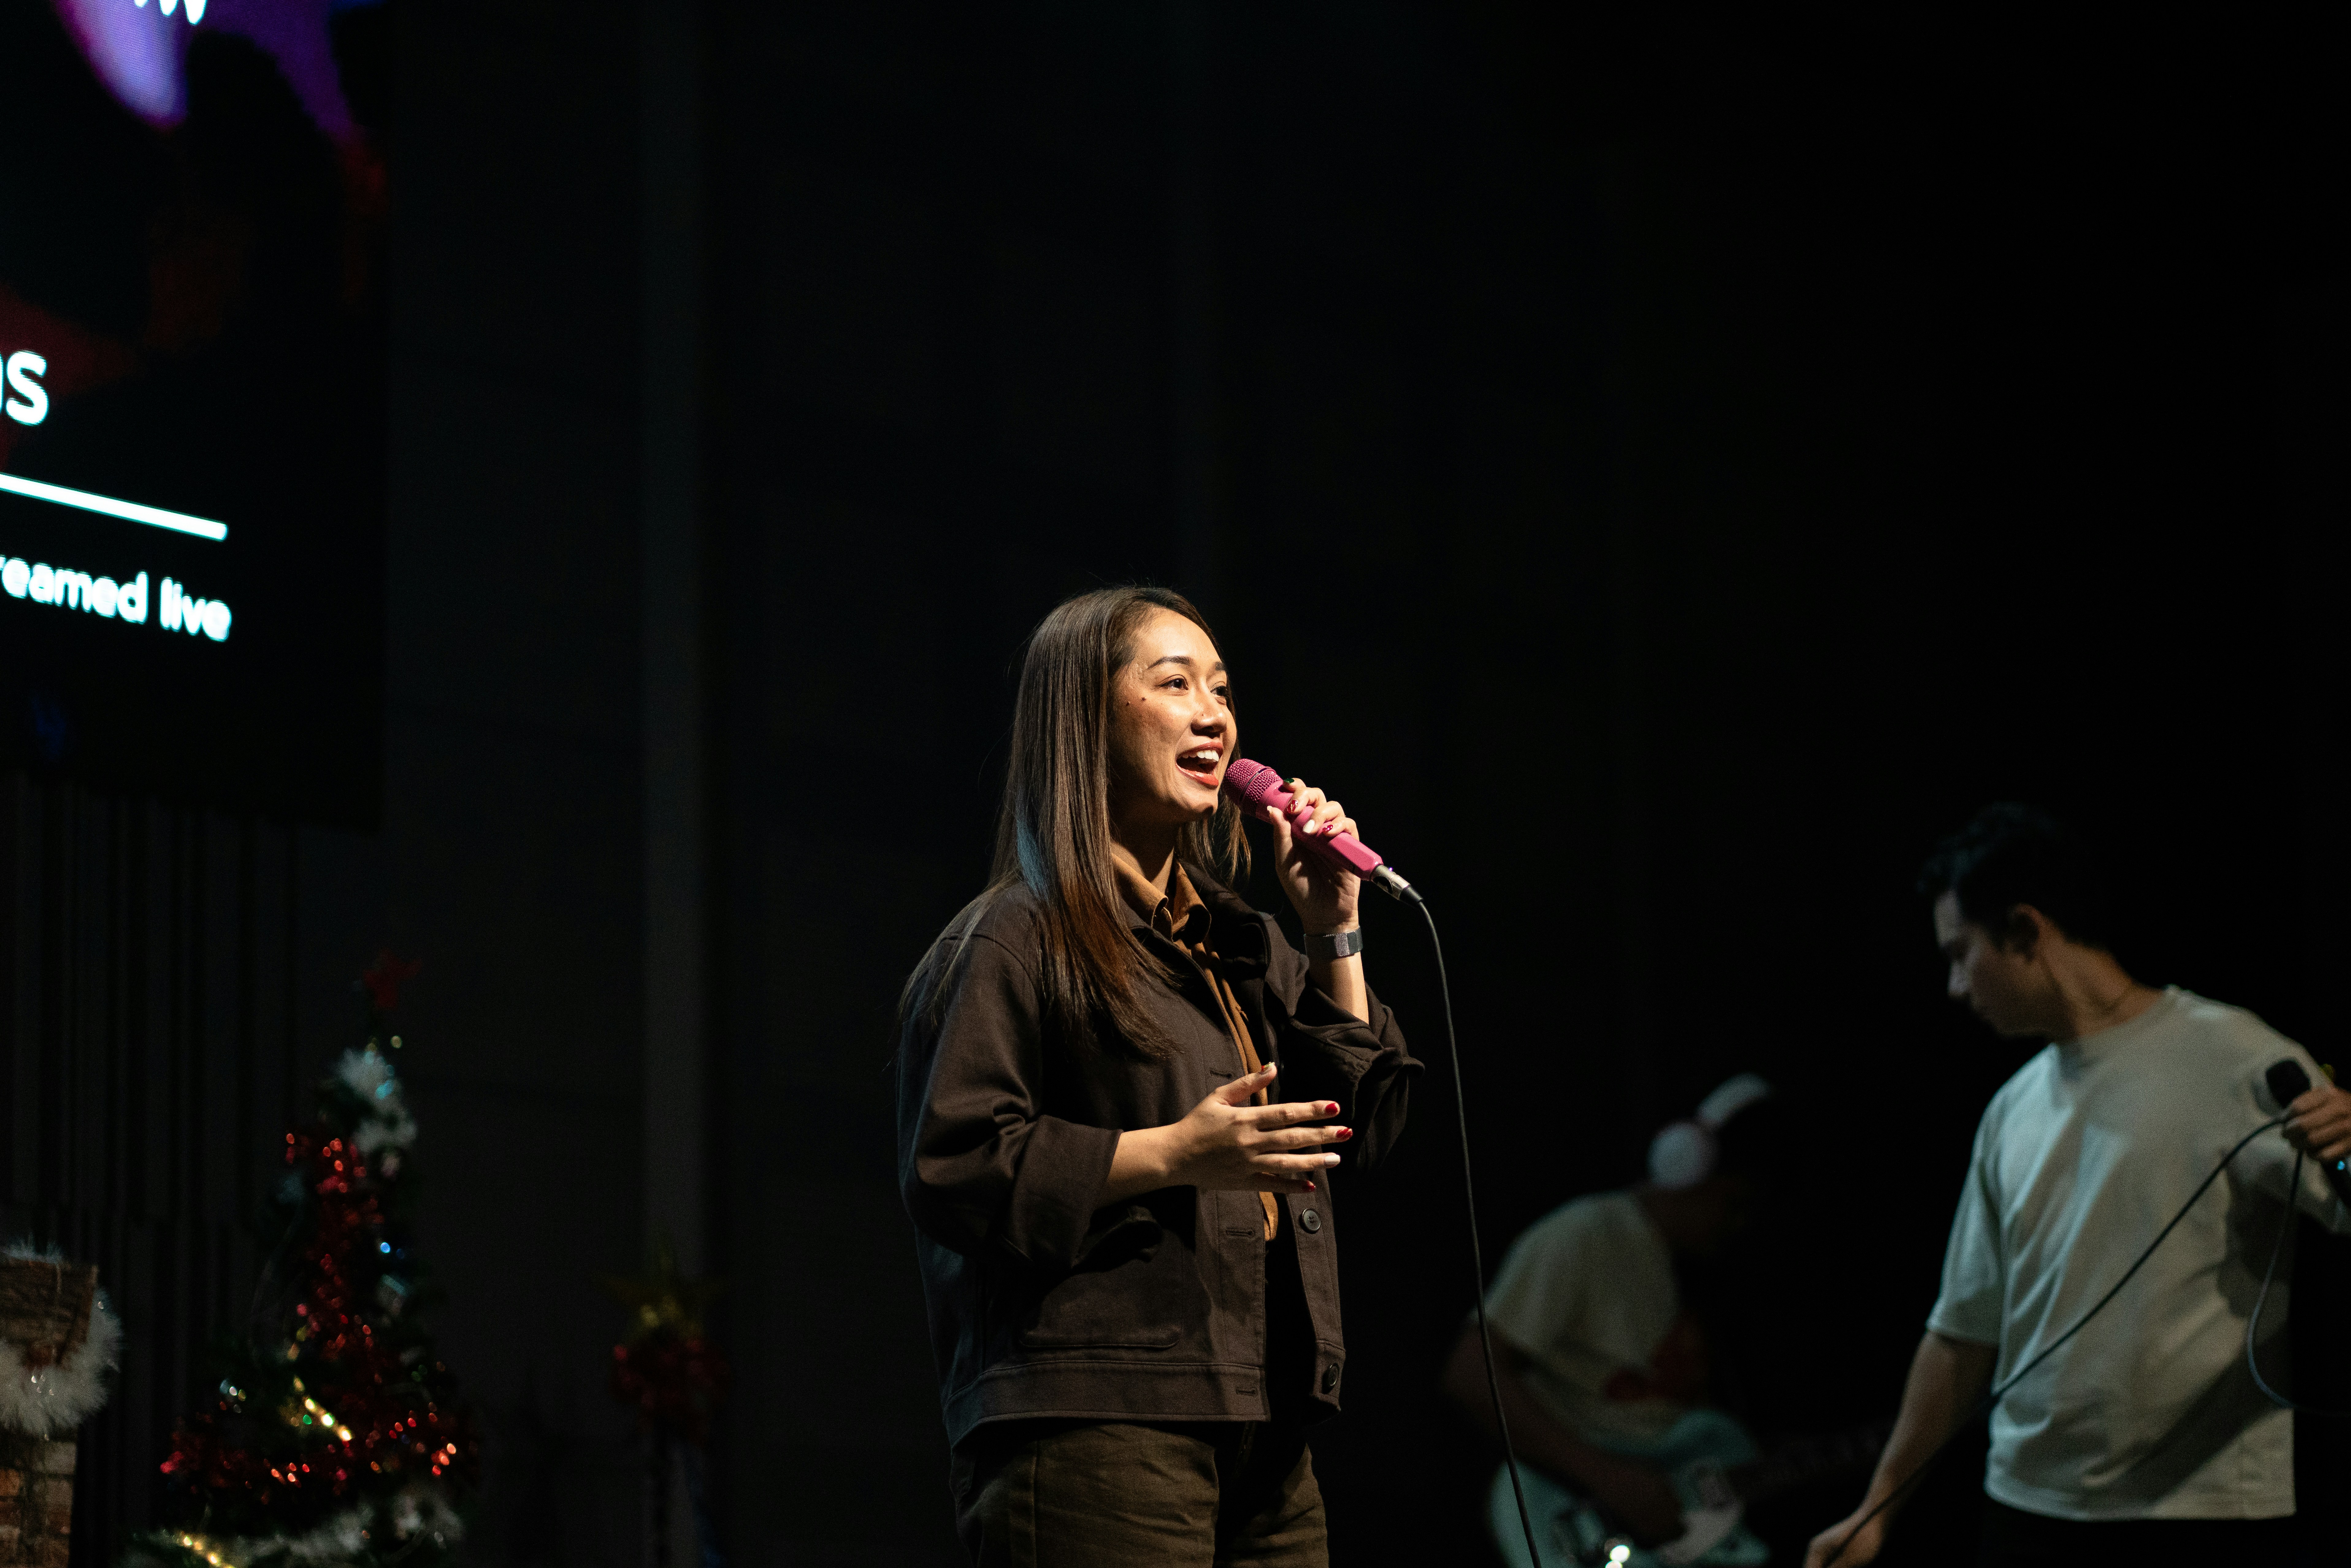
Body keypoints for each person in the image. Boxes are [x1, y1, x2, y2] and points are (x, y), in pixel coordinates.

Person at [896, 585, 1420, 1567]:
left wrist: (1331, 928)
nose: (1213, 715)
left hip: (1264, 1420)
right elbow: (957, 1167)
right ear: (1085, 717)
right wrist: (1174, 1154)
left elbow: (1363, 1125)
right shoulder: (1013, 939)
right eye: (1175, 684)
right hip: (1097, 1420)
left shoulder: (1241, 945)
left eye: (1221, 689)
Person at [1805, 804, 2351, 1568]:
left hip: (2196, 1513)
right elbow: (1962, 1332)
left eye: (1961, 952)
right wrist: (1877, 1509)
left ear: (2025, 930)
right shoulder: (2012, 1108)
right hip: (2029, 1510)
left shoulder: (2234, 1055)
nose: (1956, 985)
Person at [1442, 1075, 1795, 1564]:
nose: (1739, 1223)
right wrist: (1608, 1477)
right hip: (1575, 1514)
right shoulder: (1589, 1234)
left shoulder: (1700, 1273)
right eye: (1732, 1202)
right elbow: (1471, 1371)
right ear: (1685, 1167)